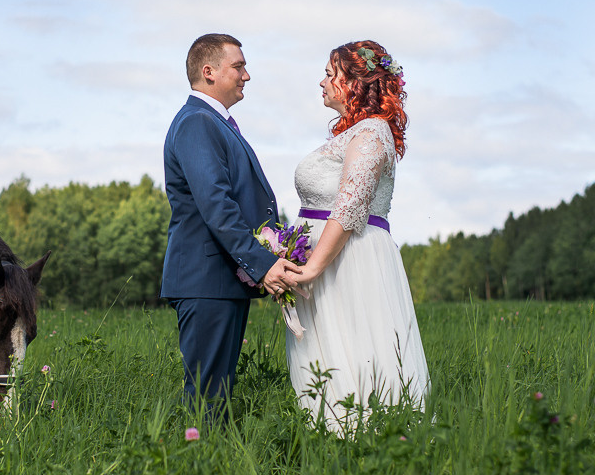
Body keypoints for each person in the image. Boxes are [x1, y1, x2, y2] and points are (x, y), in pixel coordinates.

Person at [288, 40, 431, 433]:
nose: (322, 82)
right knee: (329, 358)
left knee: (358, 351)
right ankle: (331, 441)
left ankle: (370, 444)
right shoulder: (354, 133)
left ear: (357, 82)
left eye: (331, 74)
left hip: (350, 262)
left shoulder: (371, 132)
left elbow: (351, 202)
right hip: (332, 261)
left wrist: (310, 268)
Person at [161, 33, 301, 423]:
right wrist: (263, 263)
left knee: (216, 396)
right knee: (207, 398)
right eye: (238, 67)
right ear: (208, 72)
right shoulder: (197, 123)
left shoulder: (213, 122)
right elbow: (216, 205)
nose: (247, 75)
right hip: (205, 281)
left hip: (218, 282)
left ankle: (213, 472)